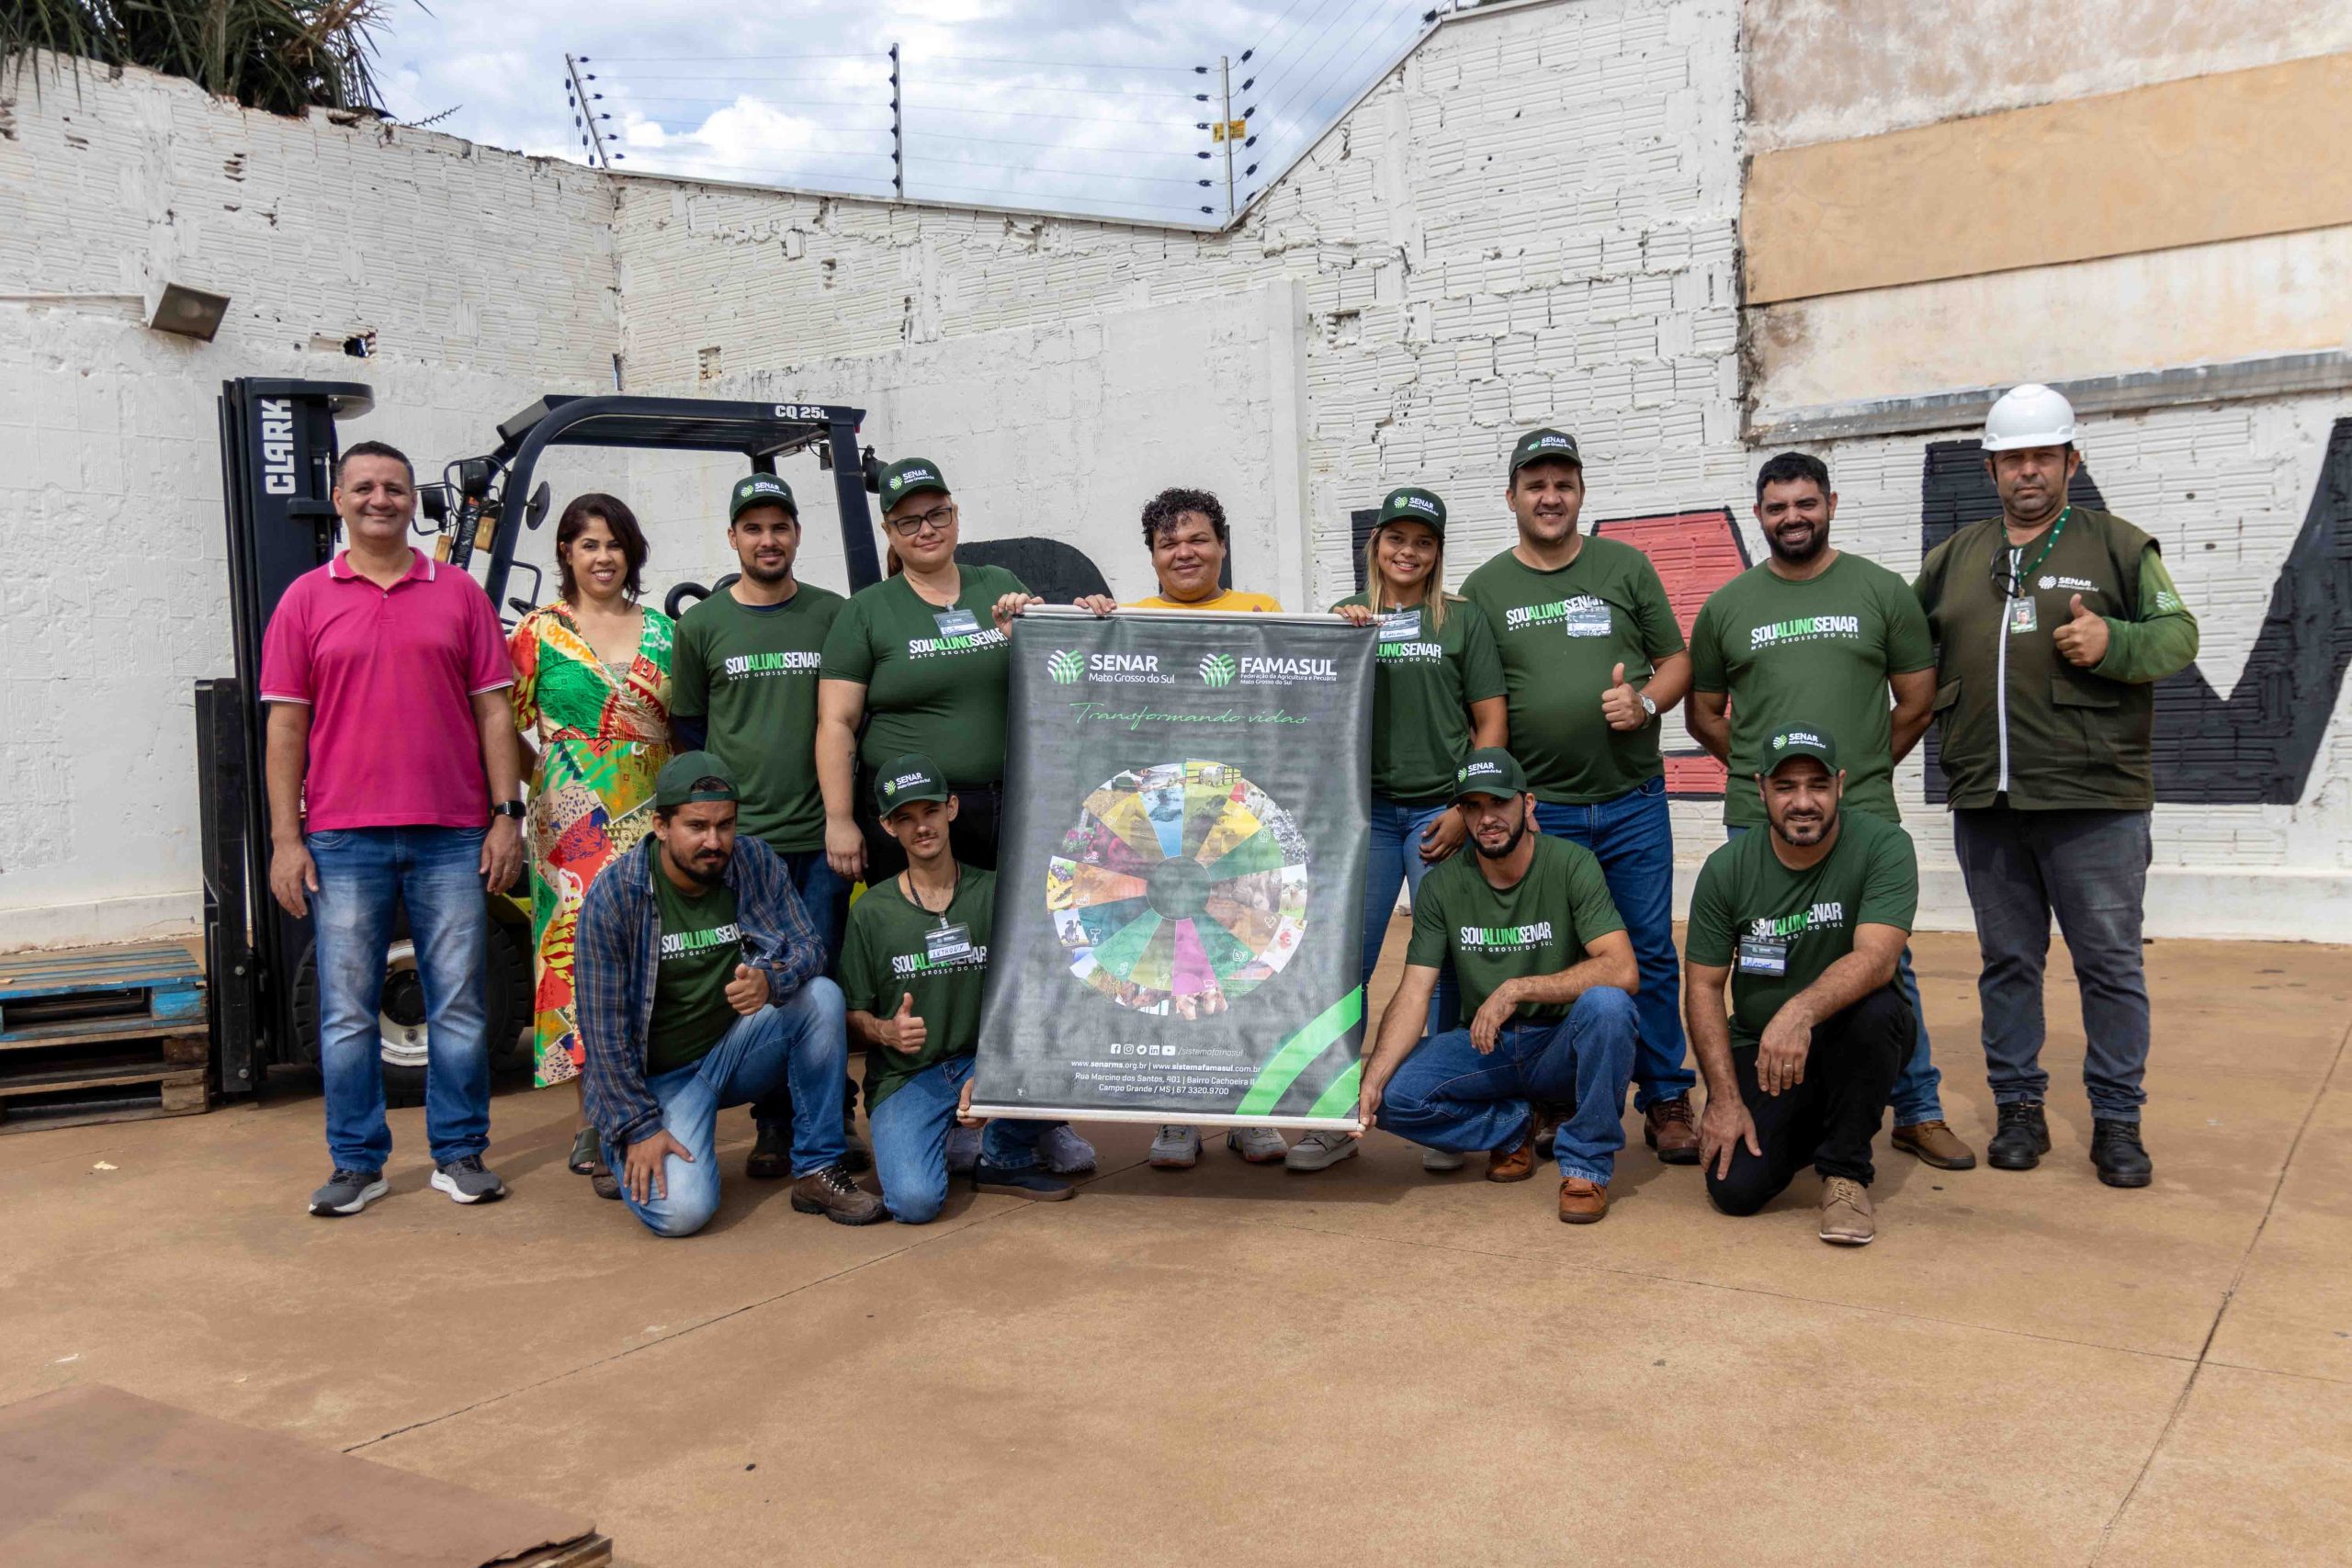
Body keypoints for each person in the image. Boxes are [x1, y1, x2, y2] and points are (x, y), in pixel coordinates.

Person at [1913, 384, 2199, 1188]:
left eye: (2043, 455)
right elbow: (1899, 643)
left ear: (2073, 460)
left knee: (2109, 964)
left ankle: (2118, 1120)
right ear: (1991, 468)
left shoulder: (2118, 546)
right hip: (1988, 800)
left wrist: (2115, 641)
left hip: (2095, 801)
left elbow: (2179, 634)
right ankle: (2019, 1108)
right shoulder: (1955, 558)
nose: (2028, 471)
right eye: (2013, 459)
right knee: (2007, 962)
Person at [1685, 453, 1975, 1171]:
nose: (1793, 517)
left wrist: (1860, 774)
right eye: (1778, 506)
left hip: (1862, 808)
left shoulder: (1880, 591)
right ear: (1759, 515)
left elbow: (1917, 702)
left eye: (1806, 503)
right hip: (1760, 817)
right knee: (1771, 958)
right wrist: (1765, 783)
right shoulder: (1727, 606)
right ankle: (1787, 1095)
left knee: (1885, 964)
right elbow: (1704, 714)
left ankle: (1918, 1109)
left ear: (1831, 504)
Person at [260, 440, 525, 1217]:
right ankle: (356, 1163)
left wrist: (505, 815)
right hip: (344, 837)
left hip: (452, 831)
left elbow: (495, 713)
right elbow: (286, 726)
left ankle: (459, 1152)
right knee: (346, 1012)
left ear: (415, 501)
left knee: (461, 1005)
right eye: (365, 487)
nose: (381, 499)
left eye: (396, 488)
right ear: (340, 500)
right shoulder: (305, 600)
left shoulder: (460, 595)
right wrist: (285, 838)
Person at [817, 457, 1095, 1178]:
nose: (926, 529)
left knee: (1028, 954)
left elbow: (1056, 665)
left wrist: (1072, 618)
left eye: (936, 513)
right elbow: (836, 721)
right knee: (940, 959)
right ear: (889, 530)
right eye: (909, 519)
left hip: (1009, 803)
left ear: (956, 516)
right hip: (915, 814)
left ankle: (1038, 1117)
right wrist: (840, 817)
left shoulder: (997, 585)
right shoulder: (868, 611)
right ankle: (946, 1112)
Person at [1459, 428, 1699, 1165]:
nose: (1550, 496)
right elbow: (1476, 700)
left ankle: (1665, 1094)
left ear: (1581, 493)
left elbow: (1676, 661)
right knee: (1556, 956)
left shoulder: (1624, 566)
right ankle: (1559, 1094)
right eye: (1536, 485)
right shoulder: (1485, 589)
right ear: (1511, 497)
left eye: (1563, 483)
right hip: (1546, 811)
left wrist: (1646, 704)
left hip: (1631, 802)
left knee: (1648, 949)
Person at [1075, 487, 1292, 1169]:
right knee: (1173, 965)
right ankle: (1176, 1115)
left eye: (1197, 538)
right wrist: (1086, 623)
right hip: (1159, 822)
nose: (1184, 552)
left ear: (1222, 545)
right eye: (1168, 544)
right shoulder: (1127, 618)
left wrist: (1347, 627)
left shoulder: (1263, 612)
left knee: (1240, 961)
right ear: (1152, 557)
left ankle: (1249, 1113)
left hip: (1239, 819)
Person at [574, 752, 882, 1235]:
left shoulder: (754, 861)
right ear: (661, 825)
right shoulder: (617, 894)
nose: (714, 842)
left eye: (725, 825)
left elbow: (810, 948)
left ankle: (818, 1168)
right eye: (697, 826)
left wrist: (771, 980)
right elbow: (603, 1034)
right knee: (682, 1214)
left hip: (733, 1052)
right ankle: (620, 1141)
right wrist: (639, 1128)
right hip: (658, 1081)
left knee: (821, 997)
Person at [1299, 485, 1508, 1176]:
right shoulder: (1347, 615)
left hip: (1438, 814)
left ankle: (1441, 1116)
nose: (1408, 552)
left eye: (1423, 542)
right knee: (1347, 963)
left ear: (1438, 552)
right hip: (1367, 816)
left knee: (1445, 965)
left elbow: (1491, 723)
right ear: (1376, 544)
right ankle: (1333, 1115)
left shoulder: (1463, 619)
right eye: (1397, 539)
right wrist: (1342, 638)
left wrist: (1466, 807)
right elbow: (1313, 716)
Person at [1347, 749, 1642, 1224]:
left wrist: (1516, 989)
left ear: (1528, 804)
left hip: (1558, 1046)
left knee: (1610, 1007)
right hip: (1487, 1049)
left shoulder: (1571, 863)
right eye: (1473, 807)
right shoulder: (1443, 885)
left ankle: (1585, 1165)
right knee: (1392, 1097)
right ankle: (1513, 1126)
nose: (1487, 818)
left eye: (1499, 803)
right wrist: (1373, 1078)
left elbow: (1622, 969)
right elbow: (1414, 992)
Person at [669, 475, 864, 1183]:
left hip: (819, 840)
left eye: (780, 526)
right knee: (760, 989)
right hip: (741, 848)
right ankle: (775, 1124)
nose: (768, 539)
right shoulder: (701, 627)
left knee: (818, 982)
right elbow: (690, 730)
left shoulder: (834, 615)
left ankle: (829, 1119)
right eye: (753, 528)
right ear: (733, 538)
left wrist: (842, 817)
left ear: (797, 534)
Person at [1688, 725, 1920, 1246]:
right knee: (1736, 1190)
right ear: (1760, 789)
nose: (1802, 802)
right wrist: (1724, 1099)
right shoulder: (1726, 869)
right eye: (1785, 786)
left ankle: (1845, 1173)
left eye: (1817, 785)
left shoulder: (1883, 846)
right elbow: (1702, 988)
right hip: (1761, 1047)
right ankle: (1833, 1117)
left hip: (1848, 1035)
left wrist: (1799, 1012)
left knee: (1880, 1013)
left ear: (1841, 785)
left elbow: (1877, 958)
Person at [508, 493, 673, 1203]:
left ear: (631, 552)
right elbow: (499, 723)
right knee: (576, 968)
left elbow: (684, 728)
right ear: (566, 553)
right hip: (569, 826)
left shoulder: (666, 632)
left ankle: (648, 1104)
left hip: (653, 818)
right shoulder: (538, 632)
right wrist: (547, 775)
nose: (603, 557)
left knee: (649, 961)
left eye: (614, 543)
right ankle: (590, 1119)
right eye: (588, 544)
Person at [839, 753, 1072, 1221]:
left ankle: (1004, 1153)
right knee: (914, 1203)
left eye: (929, 811)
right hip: (910, 1076)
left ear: (951, 808)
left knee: (1071, 1050)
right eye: (906, 818)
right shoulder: (871, 911)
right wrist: (885, 1032)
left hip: (985, 1060)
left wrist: (996, 1073)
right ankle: (939, 1137)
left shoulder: (997, 891)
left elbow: (1041, 995)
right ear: (887, 826)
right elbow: (851, 1016)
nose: (922, 827)